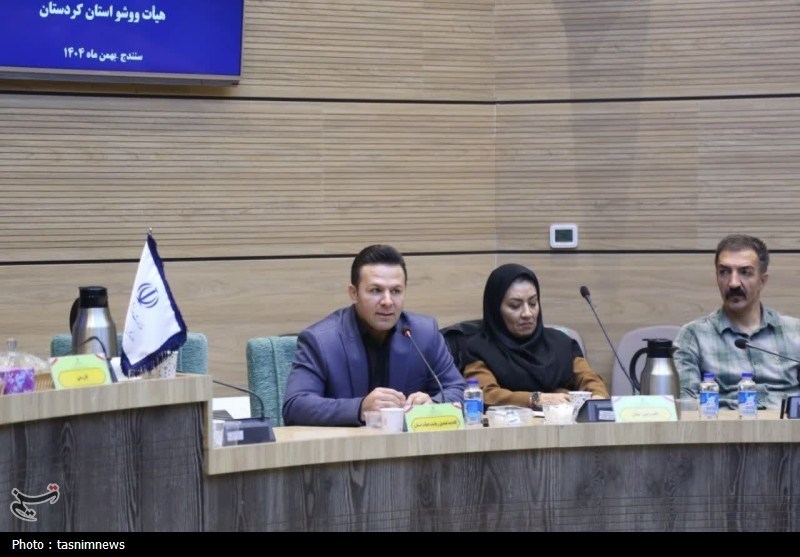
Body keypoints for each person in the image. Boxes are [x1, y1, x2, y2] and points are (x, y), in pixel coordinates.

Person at [282, 244, 466, 426]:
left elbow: (459, 391)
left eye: (396, 291)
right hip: (347, 444)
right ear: (354, 293)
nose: (387, 301)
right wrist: (360, 408)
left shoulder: (424, 334)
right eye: (376, 290)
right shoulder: (321, 340)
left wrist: (433, 404)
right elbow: (295, 406)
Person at [674, 234, 800, 409]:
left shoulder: (795, 332)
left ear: (762, 280)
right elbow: (684, 405)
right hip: (725, 424)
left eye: (745, 272)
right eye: (724, 272)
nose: (733, 283)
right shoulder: (694, 336)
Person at [463, 263, 609, 410]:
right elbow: (486, 395)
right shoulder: (478, 349)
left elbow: (590, 380)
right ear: (495, 310)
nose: (527, 313)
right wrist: (534, 399)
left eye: (533, 303)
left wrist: (597, 397)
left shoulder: (562, 343)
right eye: (515, 306)